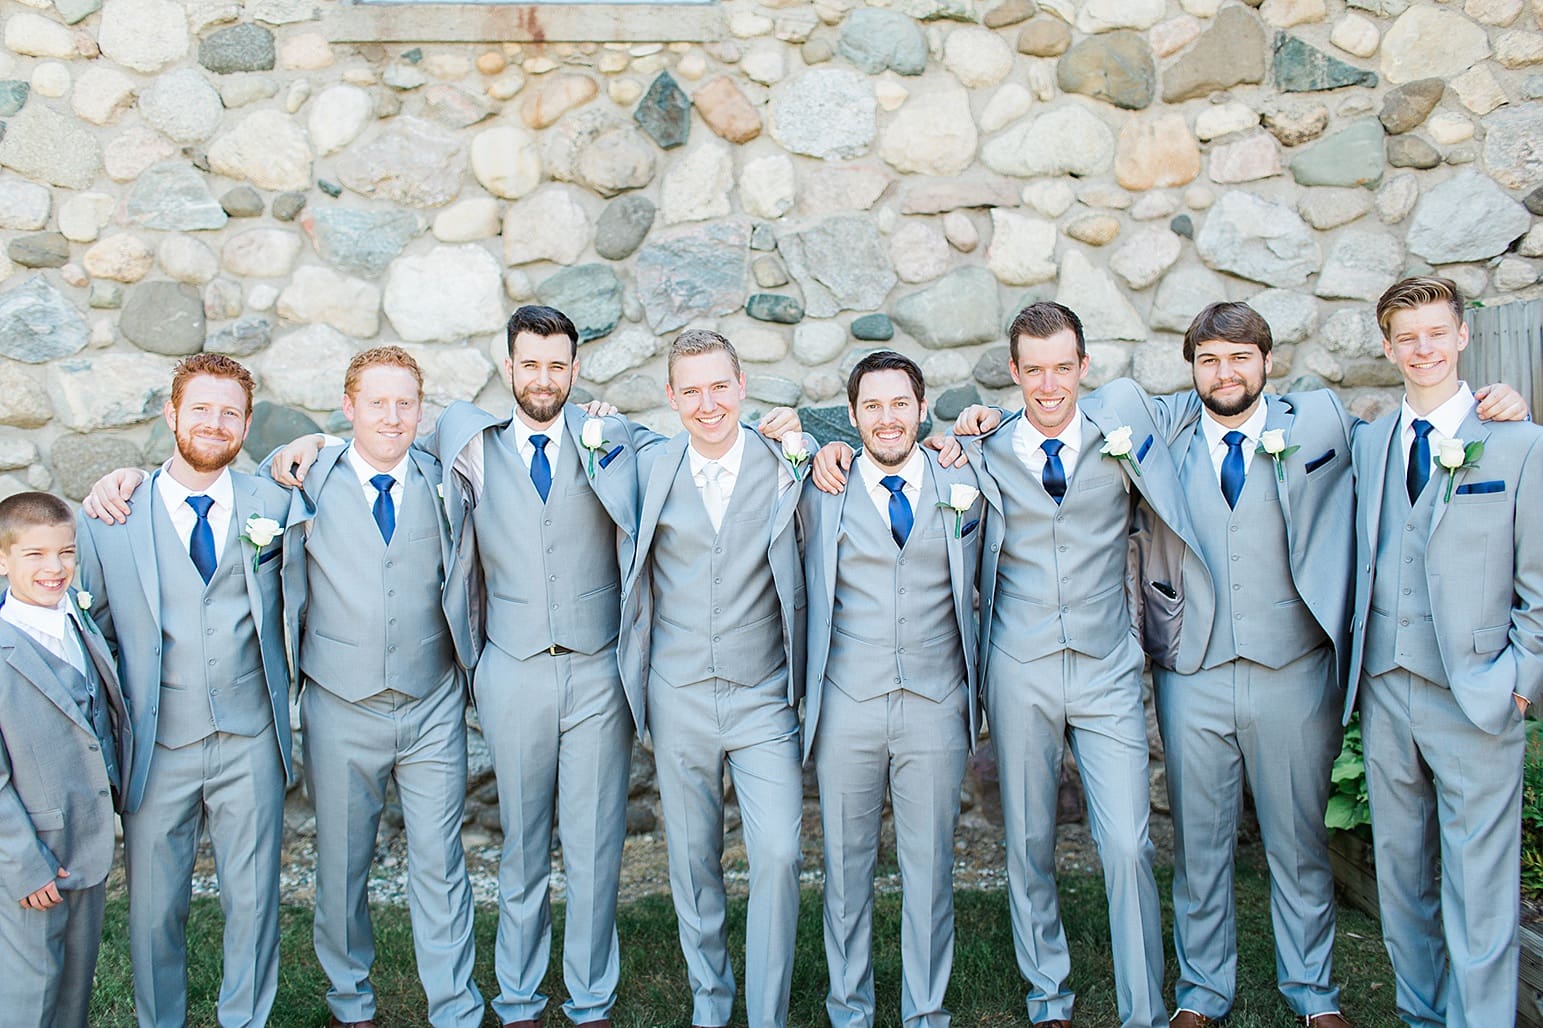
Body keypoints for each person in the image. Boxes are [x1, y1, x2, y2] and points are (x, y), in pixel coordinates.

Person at [254, 307, 803, 1028]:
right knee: (521, 843)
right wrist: (310, 442)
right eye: (530, 364)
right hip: (510, 670)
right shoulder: (465, 439)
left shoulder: (616, 439)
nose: (543, 378)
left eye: (557, 365)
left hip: (597, 673)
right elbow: (378, 437)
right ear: (508, 368)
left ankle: (590, 997)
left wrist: (788, 431)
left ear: (574, 371)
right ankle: (517, 997)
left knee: (596, 846)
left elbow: (706, 443)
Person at [819, 302, 1196, 1028]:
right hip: (1018, 667)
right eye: (1034, 370)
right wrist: (822, 445)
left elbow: (1214, 400)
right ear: (1015, 373)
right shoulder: (980, 450)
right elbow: (904, 453)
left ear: (1083, 368)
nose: (1049, 385)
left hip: (1106, 667)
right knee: (1027, 843)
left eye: (1063, 368)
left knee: (1127, 842)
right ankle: (1047, 997)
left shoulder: (1123, 430)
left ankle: (1143, 1009)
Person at [76, 354, 296, 1028]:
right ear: (171, 414)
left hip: (250, 737)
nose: (214, 423)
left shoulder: (274, 504)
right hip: (156, 742)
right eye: (199, 408)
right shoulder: (111, 515)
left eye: (230, 412)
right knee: (152, 909)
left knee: (253, 903)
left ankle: (245, 1019)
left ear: (247, 425)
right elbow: (92, 636)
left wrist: (314, 441)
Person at [1346, 276, 1543, 1028]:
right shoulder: (1369, 443)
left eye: (1436, 333)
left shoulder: (1518, 442)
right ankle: (1420, 1015)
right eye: (1407, 337)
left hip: (1477, 691)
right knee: (1401, 877)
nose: (1422, 349)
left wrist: (1518, 682)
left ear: (1462, 336)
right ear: (1387, 347)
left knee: (1480, 885)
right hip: (1385, 685)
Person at [620, 328, 814, 1028]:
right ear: (671, 397)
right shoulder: (648, 465)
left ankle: (767, 1013)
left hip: (762, 694)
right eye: (691, 390)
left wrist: (812, 433)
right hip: (678, 696)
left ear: (742, 386)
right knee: (693, 861)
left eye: (719, 387)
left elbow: (866, 452)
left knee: (778, 852)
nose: (708, 404)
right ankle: (710, 1001)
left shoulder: (786, 460)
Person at [799, 351, 984, 1028]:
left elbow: (1021, 429)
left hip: (935, 703)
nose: (887, 419)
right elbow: (756, 436)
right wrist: (797, 439)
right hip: (847, 704)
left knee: (929, 871)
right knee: (846, 872)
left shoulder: (962, 475)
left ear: (921, 408)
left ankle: (925, 1012)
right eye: (871, 406)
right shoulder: (820, 485)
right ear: (851, 416)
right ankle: (849, 1011)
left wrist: (979, 422)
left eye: (899, 403)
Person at [0, 491, 130, 1028]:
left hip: (87, 842)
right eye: (34, 555)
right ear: (2, 560)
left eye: (66, 552)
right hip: (30, 858)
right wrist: (24, 865)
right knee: (31, 993)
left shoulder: (77, 619)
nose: (54, 568)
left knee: (74, 987)